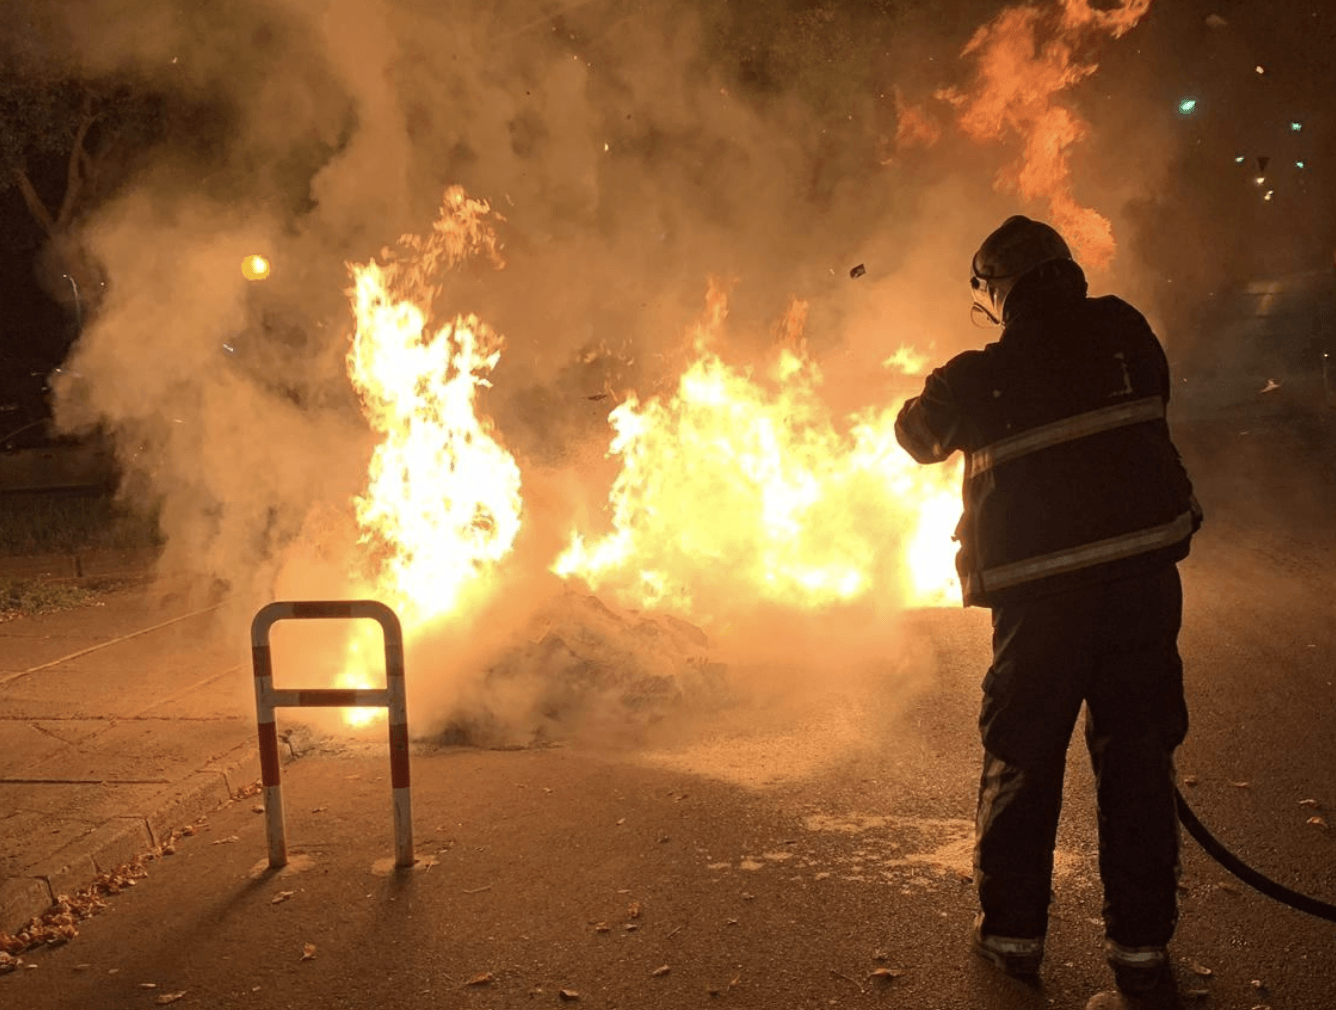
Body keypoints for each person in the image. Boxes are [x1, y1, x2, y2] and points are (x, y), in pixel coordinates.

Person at [894, 215, 1203, 996]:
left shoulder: (976, 376)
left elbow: (919, 439)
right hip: (1141, 587)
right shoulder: (1126, 331)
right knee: (1138, 759)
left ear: (1000, 291)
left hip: (1041, 604)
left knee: (1022, 759)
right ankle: (1141, 945)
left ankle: (1012, 935)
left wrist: (937, 389)